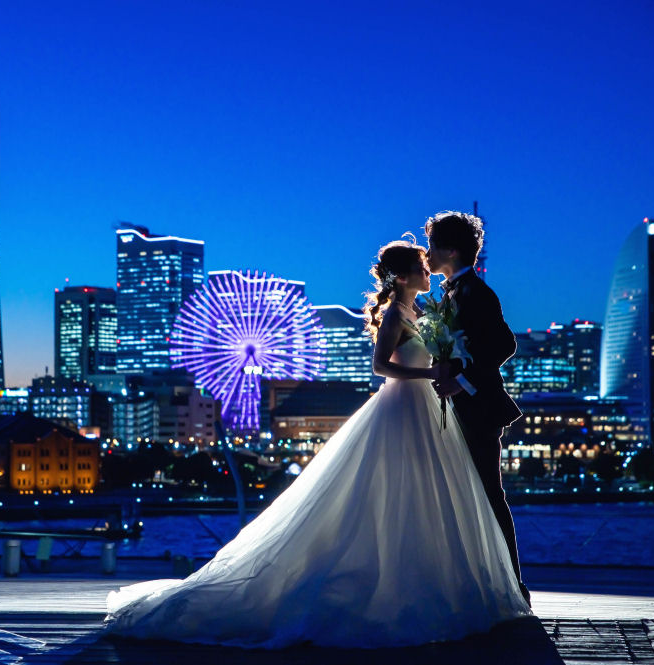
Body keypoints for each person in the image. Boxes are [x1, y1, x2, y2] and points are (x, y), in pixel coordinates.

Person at [104, 235, 531, 648]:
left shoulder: (423, 310)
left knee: (427, 496)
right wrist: (428, 374)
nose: (427, 270)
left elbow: (465, 348)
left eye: (428, 262)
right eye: (420, 267)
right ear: (401, 277)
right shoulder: (397, 317)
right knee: (392, 493)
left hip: (429, 410)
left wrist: (447, 371)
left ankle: (433, 580)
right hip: (402, 408)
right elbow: (381, 366)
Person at [425, 211, 531, 606]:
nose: (427, 253)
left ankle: (512, 586)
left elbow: (505, 344)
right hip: (460, 407)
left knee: (488, 495)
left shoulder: (476, 292)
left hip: (479, 410)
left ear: (451, 250)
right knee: (469, 497)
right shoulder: (453, 291)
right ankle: (483, 581)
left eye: (433, 246)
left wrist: (463, 381)